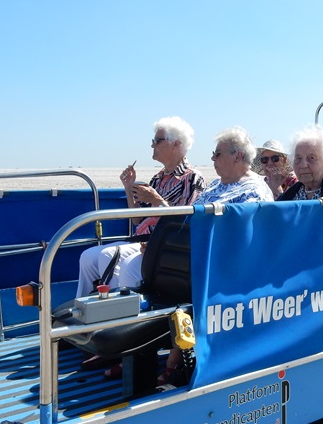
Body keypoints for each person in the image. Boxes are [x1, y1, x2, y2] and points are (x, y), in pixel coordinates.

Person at [155, 126, 273, 386]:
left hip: (221, 264)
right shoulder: (217, 186)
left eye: (217, 154)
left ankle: (173, 364)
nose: (213, 159)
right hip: (192, 253)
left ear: (238, 156)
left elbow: (241, 240)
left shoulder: (254, 191)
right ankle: (125, 349)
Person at [75, 116, 205, 298]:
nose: (152, 145)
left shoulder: (192, 179)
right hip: (141, 238)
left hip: (159, 241)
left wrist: (157, 200)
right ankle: (82, 306)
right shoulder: (157, 178)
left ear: (175, 144)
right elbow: (137, 218)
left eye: (157, 140)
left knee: (107, 255)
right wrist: (129, 187)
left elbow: (186, 222)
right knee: (87, 257)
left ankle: (112, 312)